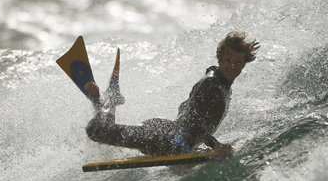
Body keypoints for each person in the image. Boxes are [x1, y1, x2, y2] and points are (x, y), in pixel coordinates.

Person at [84, 31, 259, 156]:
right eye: (228, 60)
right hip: (163, 139)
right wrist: (215, 145)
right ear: (220, 59)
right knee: (96, 131)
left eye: (238, 62)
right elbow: (191, 120)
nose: (233, 66)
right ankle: (104, 102)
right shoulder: (212, 84)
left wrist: (189, 142)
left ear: (245, 64)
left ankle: (108, 101)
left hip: (170, 134)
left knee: (107, 131)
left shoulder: (220, 83)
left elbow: (186, 108)